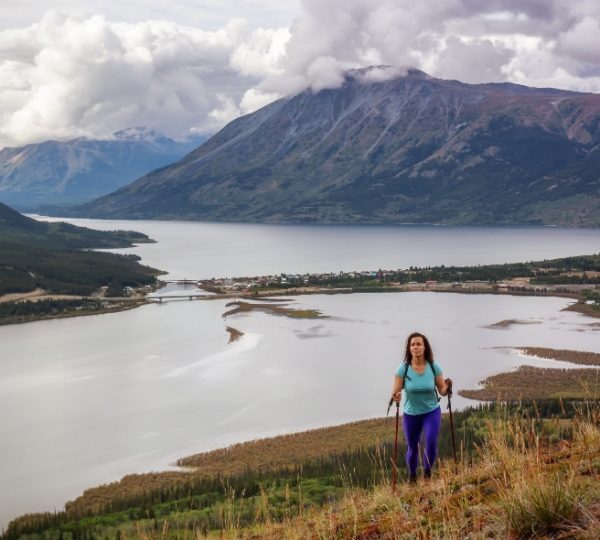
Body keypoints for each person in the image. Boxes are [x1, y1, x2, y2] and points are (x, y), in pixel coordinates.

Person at [390, 332, 452, 482]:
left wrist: (447, 387)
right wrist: (396, 396)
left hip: (431, 411)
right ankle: (412, 475)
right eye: (413, 344)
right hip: (411, 414)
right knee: (412, 447)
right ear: (409, 348)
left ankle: (427, 474)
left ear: (425, 347)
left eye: (419, 344)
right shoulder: (403, 369)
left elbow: (442, 391)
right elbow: (395, 393)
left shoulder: (433, 367)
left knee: (430, 442)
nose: (415, 347)